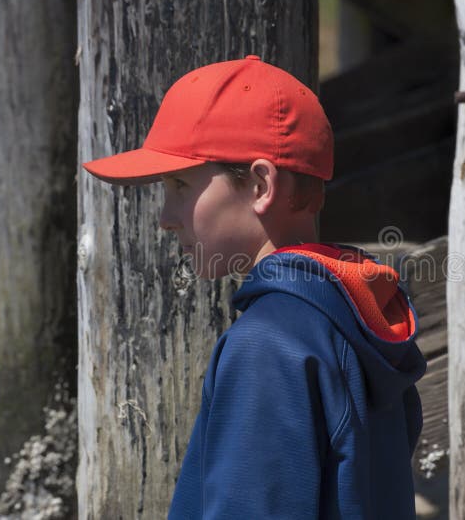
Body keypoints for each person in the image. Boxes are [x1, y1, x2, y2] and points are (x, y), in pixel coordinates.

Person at [82, 54, 426, 519]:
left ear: (262, 184)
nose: (164, 217)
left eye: (180, 186)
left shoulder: (267, 344)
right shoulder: (358, 322)